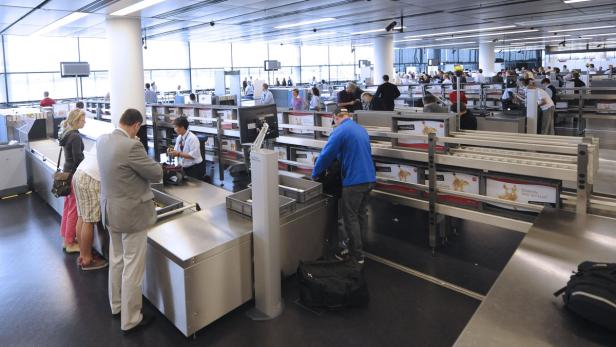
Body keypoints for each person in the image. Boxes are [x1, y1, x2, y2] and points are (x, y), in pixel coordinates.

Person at [97, 108, 162, 332]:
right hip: (131, 214)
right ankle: (131, 319)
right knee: (133, 268)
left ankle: (116, 306)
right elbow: (156, 173)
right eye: (138, 129)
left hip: (110, 211)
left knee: (116, 261)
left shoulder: (102, 141)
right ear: (136, 125)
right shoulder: (132, 146)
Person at [312, 110, 376, 264]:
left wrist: (315, 173)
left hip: (354, 181)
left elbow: (326, 155)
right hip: (369, 178)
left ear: (335, 118)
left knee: (350, 218)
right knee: (361, 214)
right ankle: (360, 248)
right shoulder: (360, 129)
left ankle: (356, 256)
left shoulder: (340, 131)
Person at [73, 148, 107, 270]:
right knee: (89, 221)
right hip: (91, 178)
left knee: (82, 216)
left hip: (79, 173)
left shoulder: (105, 137)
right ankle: (87, 259)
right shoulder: (121, 140)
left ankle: (83, 254)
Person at [58, 109, 86, 254]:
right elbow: (78, 159)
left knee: (68, 207)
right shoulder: (75, 137)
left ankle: (65, 238)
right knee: (74, 209)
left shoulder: (66, 133)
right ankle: (70, 243)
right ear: (76, 121)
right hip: (74, 175)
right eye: (82, 120)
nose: (85, 122)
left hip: (66, 173)